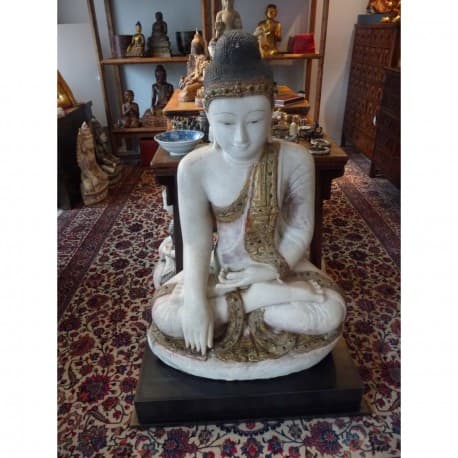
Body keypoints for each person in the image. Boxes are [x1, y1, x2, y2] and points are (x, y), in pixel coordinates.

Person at [148, 31, 346, 380]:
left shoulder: (295, 159)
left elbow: (300, 228)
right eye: (226, 123)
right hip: (222, 272)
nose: (241, 138)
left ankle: (255, 297)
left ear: (272, 113)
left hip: (281, 270)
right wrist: (195, 301)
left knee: (332, 312)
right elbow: (195, 242)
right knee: (166, 314)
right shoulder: (194, 167)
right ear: (208, 117)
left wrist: (267, 271)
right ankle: (260, 300)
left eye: (254, 121)